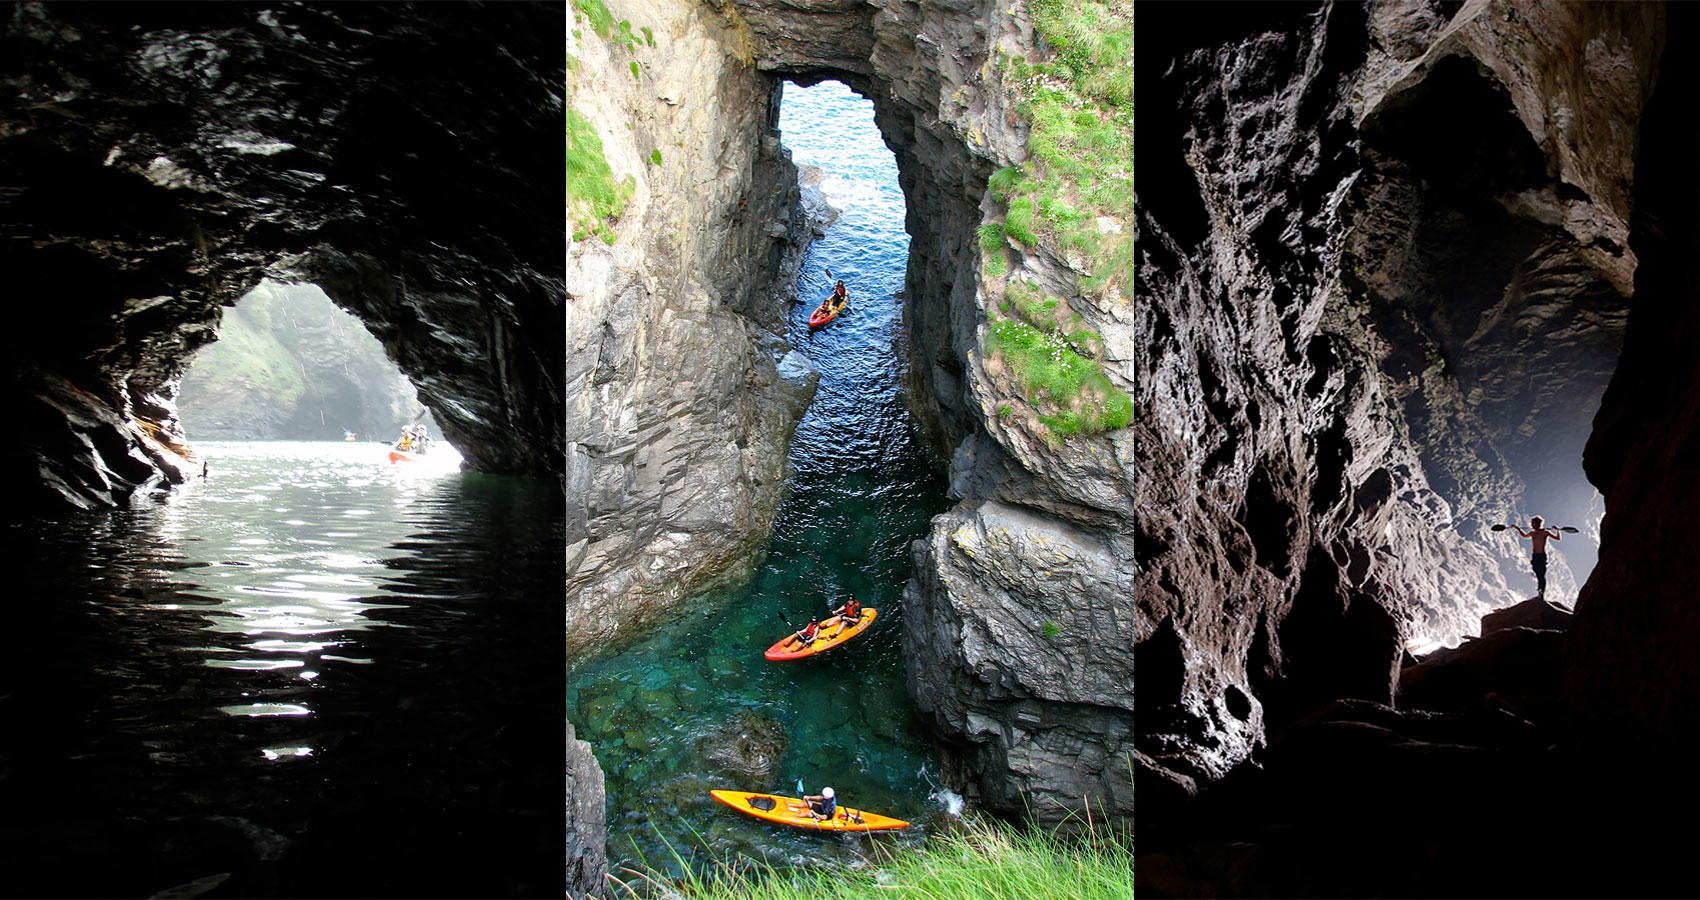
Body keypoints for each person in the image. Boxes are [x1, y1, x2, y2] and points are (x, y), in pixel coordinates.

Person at [1512, 515, 1562, 596]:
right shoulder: (1532, 533)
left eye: (1533, 523)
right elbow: (1524, 536)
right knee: (1536, 572)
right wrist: (1518, 529)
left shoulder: (1545, 532)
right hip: (1534, 556)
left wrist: (1557, 530)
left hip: (1541, 556)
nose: (1531, 525)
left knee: (1541, 575)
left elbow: (1557, 538)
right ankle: (1540, 590)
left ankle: (1541, 591)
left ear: (1537, 524)